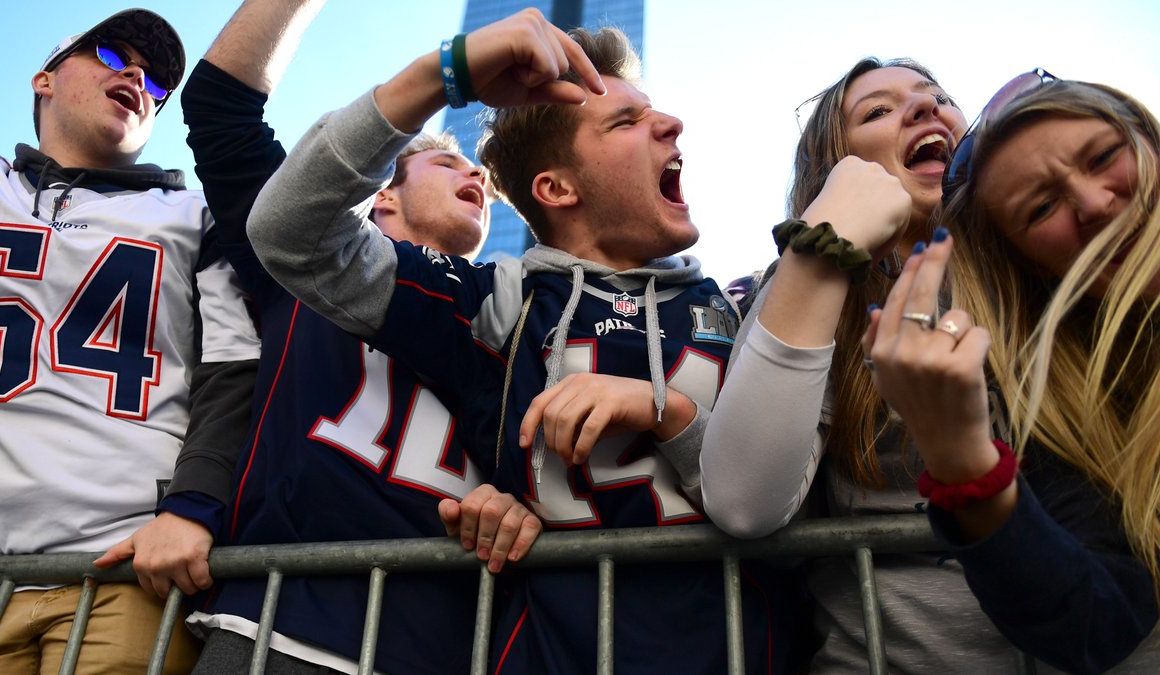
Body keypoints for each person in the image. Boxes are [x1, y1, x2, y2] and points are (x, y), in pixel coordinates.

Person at [245, 11, 797, 674]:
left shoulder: (746, 307)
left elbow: (784, 491)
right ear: (557, 188)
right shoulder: (496, 304)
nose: (672, 125)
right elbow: (290, 233)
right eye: (625, 122)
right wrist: (442, 73)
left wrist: (666, 411)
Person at [122, 1, 539, 673]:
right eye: (447, 165)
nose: (477, 177)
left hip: (445, 644)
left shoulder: (517, 313)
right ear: (384, 195)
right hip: (281, 627)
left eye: (481, 176)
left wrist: (514, 503)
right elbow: (223, 108)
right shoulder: (299, 264)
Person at [0, 9, 260, 674]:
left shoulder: (195, 216)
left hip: (125, 564)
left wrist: (194, 506)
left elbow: (234, 368)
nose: (137, 78)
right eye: (112, 54)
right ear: (43, 79)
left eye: (155, 82)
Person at [862, 74, 1160, 672]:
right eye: (1041, 208)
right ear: (1036, 265)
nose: (1095, 203)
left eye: (1104, 156)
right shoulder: (1077, 400)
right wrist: (962, 459)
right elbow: (1090, 621)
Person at [700, 58, 990, 671]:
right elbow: (744, 504)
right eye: (878, 111)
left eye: (938, 96)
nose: (926, 108)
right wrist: (824, 247)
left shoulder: (1044, 259)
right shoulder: (800, 284)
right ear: (836, 171)